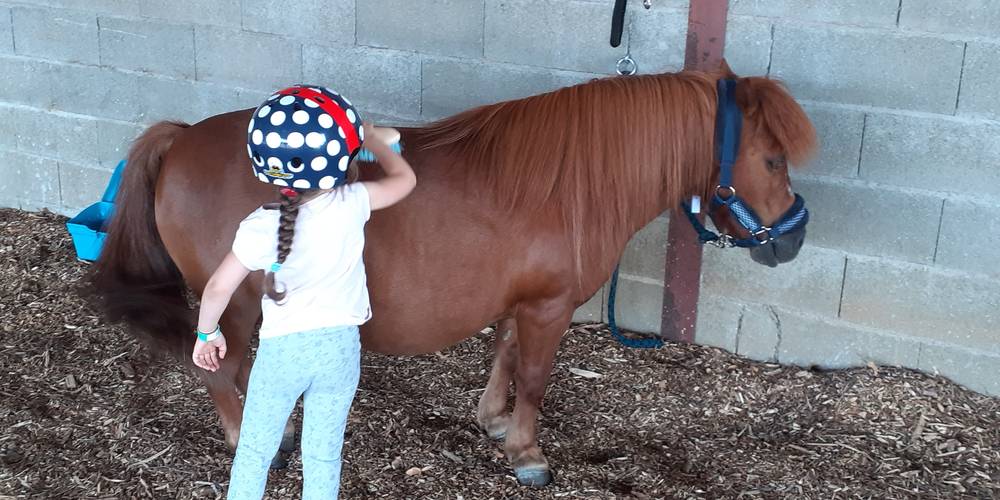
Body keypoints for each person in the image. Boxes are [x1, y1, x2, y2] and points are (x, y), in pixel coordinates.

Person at [190, 84, 416, 499]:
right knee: (323, 456)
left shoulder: (260, 225)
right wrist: (372, 141)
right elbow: (404, 179)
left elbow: (219, 287)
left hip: (283, 354)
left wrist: (207, 334)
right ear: (340, 160)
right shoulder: (354, 202)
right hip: (340, 352)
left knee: (255, 453)